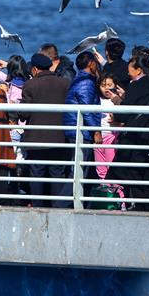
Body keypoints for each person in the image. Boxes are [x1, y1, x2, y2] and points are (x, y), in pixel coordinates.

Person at [110, 54, 149, 209]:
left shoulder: (136, 86)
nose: (128, 73)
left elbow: (124, 113)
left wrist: (116, 110)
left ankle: (139, 209)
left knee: (132, 174)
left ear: (139, 70)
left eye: (130, 70)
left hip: (137, 139)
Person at [22, 52, 72, 208]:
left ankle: (38, 206)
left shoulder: (30, 85)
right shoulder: (64, 83)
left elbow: (24, 113)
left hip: (36, 139)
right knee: (57, 173)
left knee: (37, 173)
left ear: (35, 69)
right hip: (59, 138)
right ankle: (57, 206)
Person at [64, 51, 102, 204]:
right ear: (91, 63)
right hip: (80, 132)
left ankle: (75, 203)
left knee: (80, 171)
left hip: (75, 130)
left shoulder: (79, 79)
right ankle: (62, 203)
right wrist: (96, 131)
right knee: (79, 172)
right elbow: (87, 109)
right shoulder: (86, 82)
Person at [95, 74, 122, 180]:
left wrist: (117, 120)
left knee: (112, 167)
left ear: (115, 85)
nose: (106, 88)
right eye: (103, 85)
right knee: (100, 169)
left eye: (109, 85)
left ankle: (118, 192)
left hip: (112, 136)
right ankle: (105, 190)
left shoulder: (118, 100)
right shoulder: (97, 100)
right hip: (99, 137)